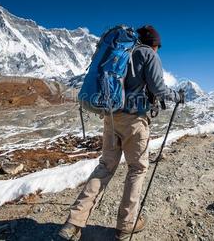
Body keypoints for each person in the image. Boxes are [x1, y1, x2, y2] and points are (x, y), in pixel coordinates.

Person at [59, 25, 184, 240]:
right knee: (137, 168)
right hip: (134, 121)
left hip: (110, 116)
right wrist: (177, 96)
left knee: (105, 167)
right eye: (158, 46)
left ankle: (73, 223)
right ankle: (126, 225)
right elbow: (158, 89)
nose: (157, 50)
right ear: (154, 44)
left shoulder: (123, 54)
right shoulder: (148, 54)